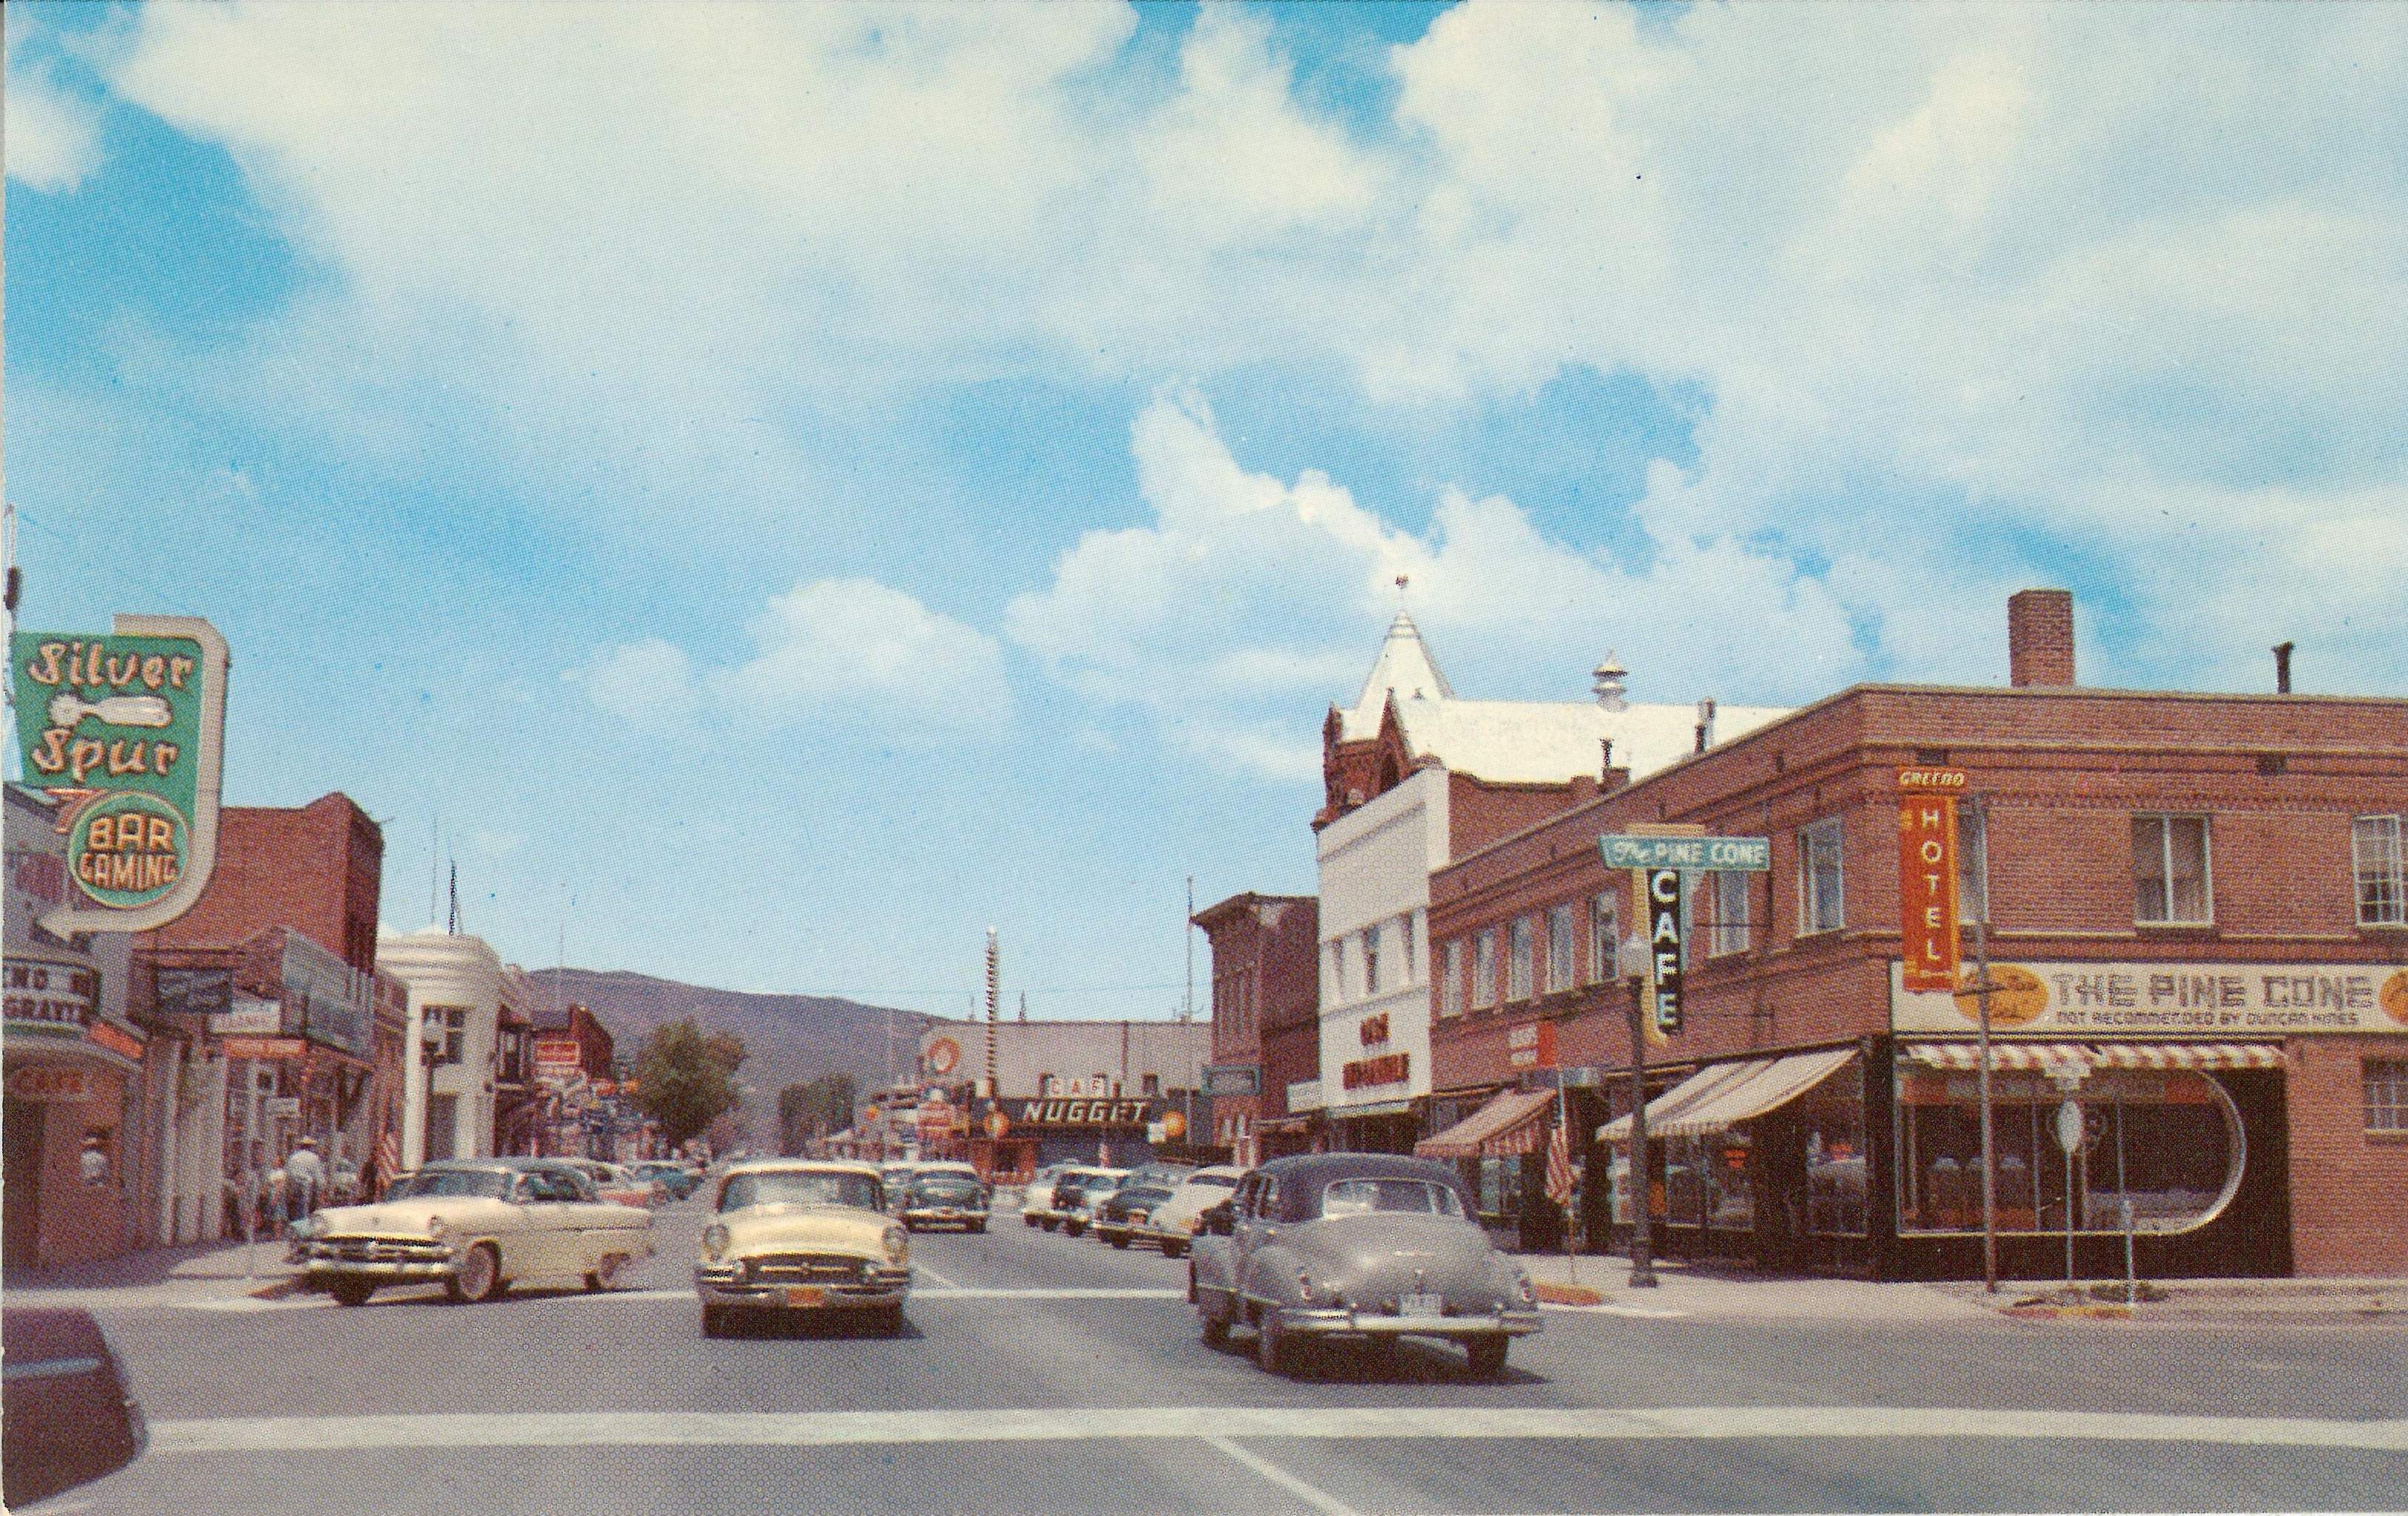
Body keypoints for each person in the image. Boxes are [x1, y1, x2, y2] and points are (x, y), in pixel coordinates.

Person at [285, 1137, 326, 1223]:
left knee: (293, 1210)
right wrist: (321, 1192)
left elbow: (287, 1172)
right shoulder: (314, 1158)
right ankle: (304, 1227)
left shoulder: (293, 1157)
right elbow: (319, 1178)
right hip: (306, 1186)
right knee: (304, 1210)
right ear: (311, 1147)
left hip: (292, 1186)